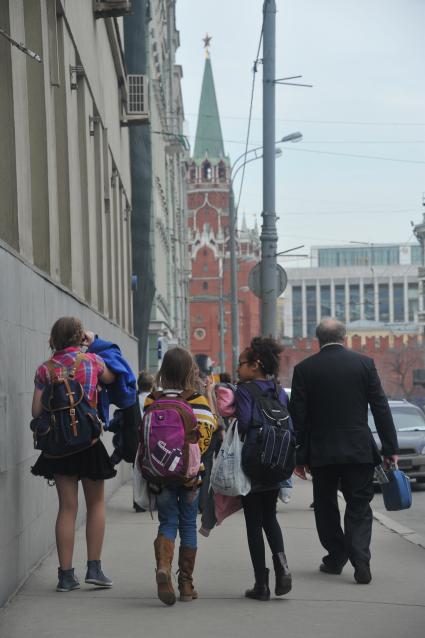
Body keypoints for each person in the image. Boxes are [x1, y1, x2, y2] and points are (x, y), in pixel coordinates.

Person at [289, 318, 398, 585]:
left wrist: (299, 457)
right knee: (359, 505)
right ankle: (361, 560)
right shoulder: (364, 364)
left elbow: (298, 417)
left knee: (325, 506)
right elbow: (381, 407)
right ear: (345, 336)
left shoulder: (305, 369)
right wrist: (390, 448)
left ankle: (336, 557)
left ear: (318, 340)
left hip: (322, 452)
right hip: (358, 450)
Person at [31, 317, 117, 592]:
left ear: (53, 338)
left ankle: (66, 576)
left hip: (59, 447)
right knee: (96, 504)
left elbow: (35, 412)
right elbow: (114, 377)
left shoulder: (45, 370)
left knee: (67, 507)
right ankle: (95, 568)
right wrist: (94, 343)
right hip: (89, 442)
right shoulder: (92, 361)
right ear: (80, 337)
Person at [143, 347, 217, 605]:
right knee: (187, 525)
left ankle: (163, 566)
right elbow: (206, 439)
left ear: (164, 370)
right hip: (190, 478)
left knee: (167, 522)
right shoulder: (197, 400)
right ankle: (186, 585)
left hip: (160, 476)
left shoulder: (152, 400)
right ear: (189, 371)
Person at [236, 337, 292, 601]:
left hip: (254, 462)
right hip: (278, 460)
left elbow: (245, 424)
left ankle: (262, 584)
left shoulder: (245, 390)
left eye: (242, 364)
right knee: (271, 517)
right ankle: (283, 568)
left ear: (255, 365)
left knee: (253, 523)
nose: (239, 369)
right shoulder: (278, 390)